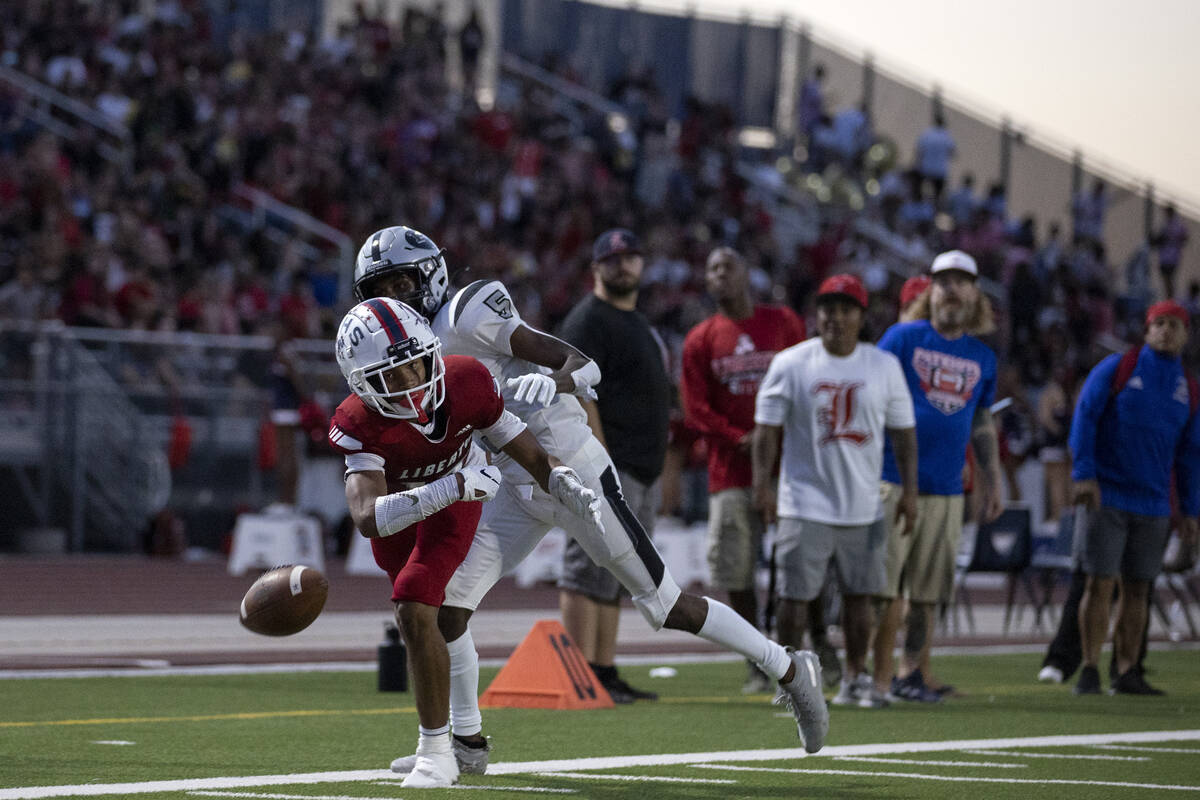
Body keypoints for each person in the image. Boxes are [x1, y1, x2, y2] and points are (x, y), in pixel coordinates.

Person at [350, 226, 829, 776]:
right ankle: (465, 742)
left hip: (572, 469)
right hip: (510, 481)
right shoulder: (399, 350)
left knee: (664, 605)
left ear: (431, 273)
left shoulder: (466, 312)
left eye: (403, 281)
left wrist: (552, 384)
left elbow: (583, 365)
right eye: (381, 289)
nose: (396, 297)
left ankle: (789, 668)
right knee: (447, 609)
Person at [328, 296, 603, 788]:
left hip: (458, 504)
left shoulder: (465, 379)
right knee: (420, 622)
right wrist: (450, 485)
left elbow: (523, 444)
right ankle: (463, 744)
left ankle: (437, 752)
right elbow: (368, 518)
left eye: (416, 365)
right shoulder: (357, 421)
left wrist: (562, 482)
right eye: (394, 377)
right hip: (417, 506)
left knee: (415, 603)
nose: (413, 384)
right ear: (362, 386)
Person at [752, 274, 918, 710]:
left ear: (862, 316)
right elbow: (766, 432)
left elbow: (904, 436)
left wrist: (911, 492)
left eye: (846, 309)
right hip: (802, 500)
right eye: (827, 308)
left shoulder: (883, 365)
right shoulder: (790, 363)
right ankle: (790, 682)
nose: (835, 318)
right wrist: (762, 486)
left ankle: (855, 677)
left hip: (862, 503)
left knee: (859, 598)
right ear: (816, 314)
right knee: (793, 597)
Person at [871, 250, 1004, 702]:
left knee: (929, 593)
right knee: (885, 590)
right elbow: (870, 396)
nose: (950, 288)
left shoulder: (983, 356)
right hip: (892, 481)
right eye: (942, 280)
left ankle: (916, 674)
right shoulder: (902, 338)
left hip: (948, 488)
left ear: (974, 294)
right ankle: (879, 677)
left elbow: (982, 419)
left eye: (961, 280)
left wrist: (993, 477)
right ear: (930, 290)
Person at [680, 246, 808, 694]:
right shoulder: (700, 338)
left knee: (799, 566)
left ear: (746, 273)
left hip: (789, 468)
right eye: (711, 269)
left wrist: (775, 434)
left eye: (727, 267)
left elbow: (807, 381)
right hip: (730, 473)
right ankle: (758, 658)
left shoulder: (784, 323)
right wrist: (741, 436)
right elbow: (695, 409)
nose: (719, 275)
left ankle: (803, 652)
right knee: (735, 571)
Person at [1068, 301, 1199, 695]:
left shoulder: (1188, 389)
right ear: (1146, 330)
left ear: (1186, 334)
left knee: (1139, 588)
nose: (1165, 331)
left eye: (1174, 325)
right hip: (1108, 495)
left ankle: (1127, 670)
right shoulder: (1118, 368)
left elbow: (1191, 453)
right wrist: (1084, 474)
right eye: (1158, 324)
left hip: (1155, 504)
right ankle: (1089, 667)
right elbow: (1085, 417)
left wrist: (1191, 510)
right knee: (1100, 583)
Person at [1153, 204, 1189, 300]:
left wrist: (1173, 240)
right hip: (1166, 256)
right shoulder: (1166, 224)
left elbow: (1184, 238)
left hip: (1171, 256)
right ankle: (1168, 297)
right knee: (1167, 280)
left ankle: (1170, 298)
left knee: (1169, 279)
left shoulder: (1175, 225)